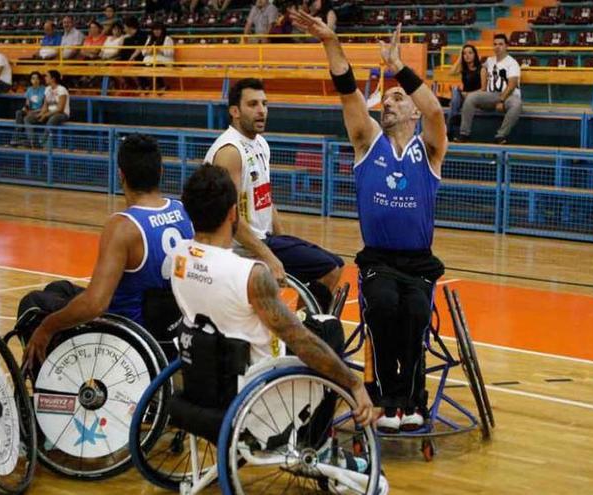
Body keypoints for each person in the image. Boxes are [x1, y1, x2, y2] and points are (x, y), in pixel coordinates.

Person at [292, 11, 448, 432]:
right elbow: (347, 92)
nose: (390, 102)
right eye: (388, 99)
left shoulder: (429, 148)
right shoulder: (368, 141)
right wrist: (330, 42)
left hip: (419, 262)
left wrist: (399, 67)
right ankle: (385, 397)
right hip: (378, 259)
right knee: (382, 307)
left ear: (412, 111)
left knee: (415, 312)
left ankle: (412, 399)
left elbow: (435, 112)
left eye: (399, 98)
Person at [171, 163, 373, 426]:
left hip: (201, 375)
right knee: (328, 329)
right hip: (252, 390)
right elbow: (300, 341)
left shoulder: (178, 256)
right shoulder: (251, 274)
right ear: (234, 214)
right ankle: (314, 439)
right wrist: (354, 383)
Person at [22, 134, 195, 366]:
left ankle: (45, 385)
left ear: (121, 175)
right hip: (170, 329)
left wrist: (46, 328)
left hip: (128, 333)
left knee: (33, 305)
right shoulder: (183, 211)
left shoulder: (124, 226)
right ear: (161, 172)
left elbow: (95, 304)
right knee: (59, 288)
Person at [204, 78, 345, 309]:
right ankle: (301, 335)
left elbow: (265, 199)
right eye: (253, 104)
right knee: (329, 269)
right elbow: (229, 219)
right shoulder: (230, 151)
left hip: (263, 239)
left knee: (335, 263)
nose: (261, 111)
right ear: (235, 111)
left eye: (264, 103)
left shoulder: (261, 144)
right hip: (239, 248)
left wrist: (283, 240)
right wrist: (270, 256)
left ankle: (302, 328)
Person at [455, 33, 522, 145]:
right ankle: (464, 134)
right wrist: (462, 59)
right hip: (491, 96)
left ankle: (500, 136)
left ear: (506, 46)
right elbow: (475, 67)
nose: (497, 47)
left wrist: (501, 100)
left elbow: (512, 85)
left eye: (500, 44)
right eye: (495, 44)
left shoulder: (512, 63)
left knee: (517, 104)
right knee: (471, 98)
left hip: (508, 96)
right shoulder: (490, 61)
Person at [24, 70, 70, 147]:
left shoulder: (62, 90)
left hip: (62, 114)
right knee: (28, 118)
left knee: (52, 118)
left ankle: (42, 140)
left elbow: (60, 109)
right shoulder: (47, 89)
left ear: (53, 79)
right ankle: (32, 141)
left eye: (47, 76)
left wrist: (45, 115)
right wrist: (41, 114)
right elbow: (45, 106)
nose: (45, 78)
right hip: (48, 113)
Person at [448, 42, 483, 139]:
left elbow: (483, 89)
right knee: (455, 91)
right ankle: (453, 123)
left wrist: (469, 94)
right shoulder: (464, 69)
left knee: (454, 102)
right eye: (464, 53)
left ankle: (450, 129)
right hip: (464, 97)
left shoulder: (481, 69)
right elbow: (451, 72)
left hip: (476, 98)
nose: (467, 56)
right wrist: (460, 57)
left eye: (470, 53)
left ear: (475, 54)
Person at [10, 71, 46, 147]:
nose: (35, 80)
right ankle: (17, 137)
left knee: (26, 118)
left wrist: (33, 112)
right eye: (33, 79)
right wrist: (25, 109)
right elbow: (27, 104)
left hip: (40, 111)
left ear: (40, 80)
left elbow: (44, 106)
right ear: (30, 80)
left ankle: (31, 141)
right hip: (31, 111)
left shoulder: (44, 89)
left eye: (37, 79)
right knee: (19, 113)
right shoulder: (29, 89)